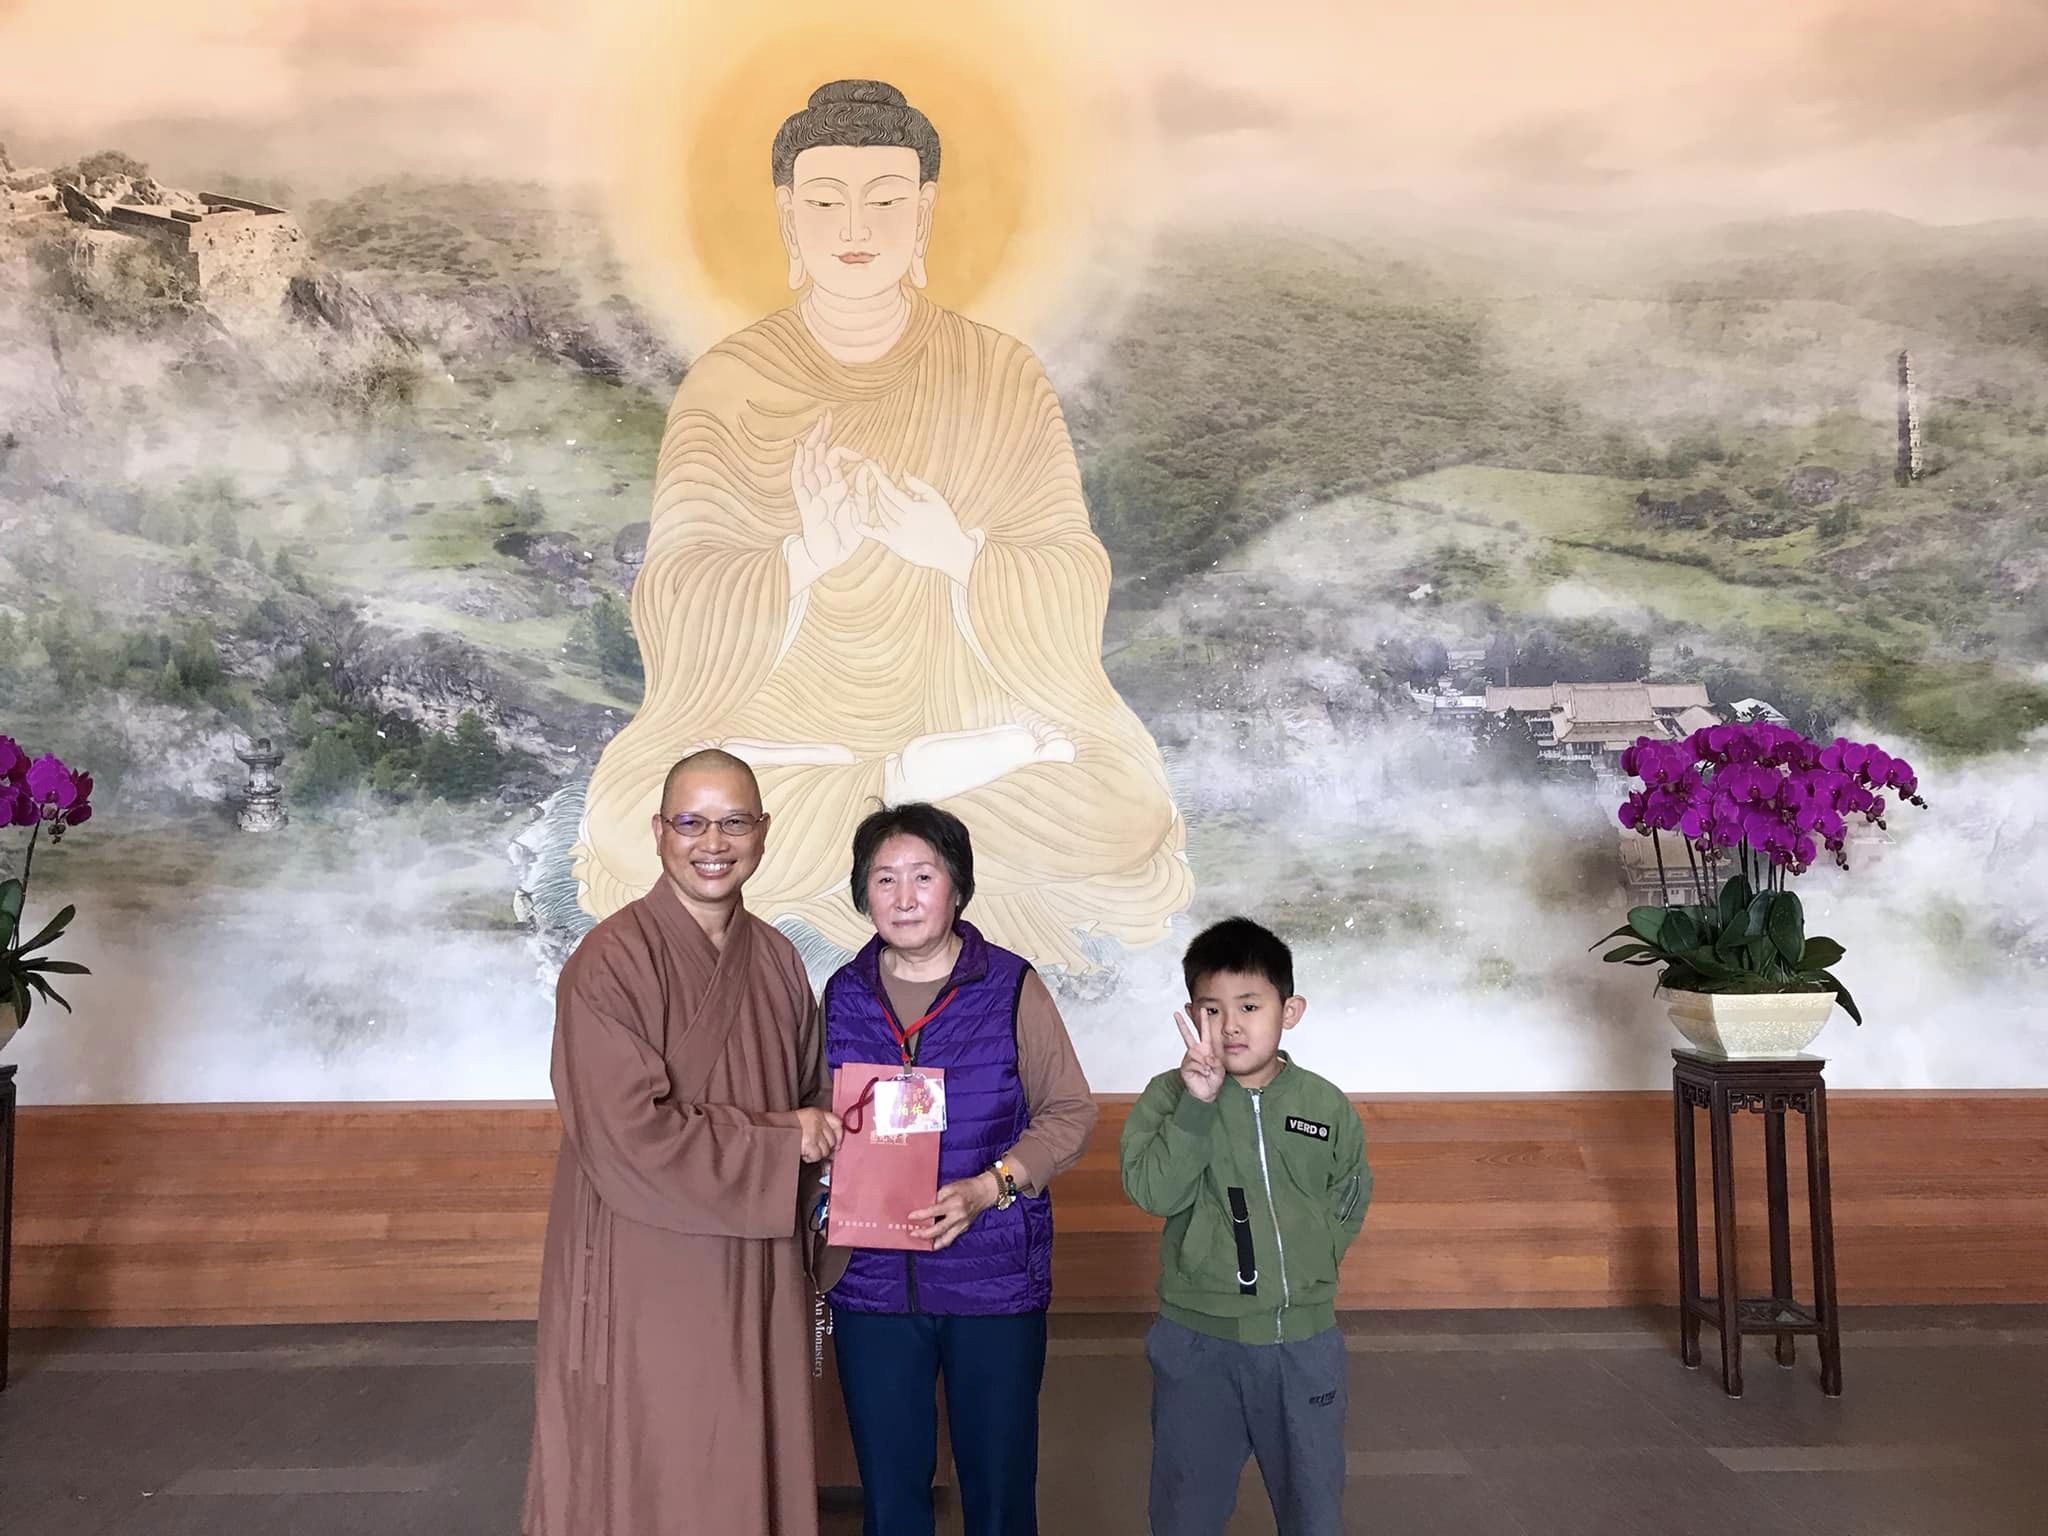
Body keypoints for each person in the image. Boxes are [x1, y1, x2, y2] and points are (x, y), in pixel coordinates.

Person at [573, 77, 1191, 972]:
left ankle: (891, 805)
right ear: (788, 216)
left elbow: (1069, 565)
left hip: (965, 708)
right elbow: (676, 588)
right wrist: (801, 559)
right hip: (787, 728)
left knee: (1129, 803)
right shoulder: (729, 380)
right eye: (826, 202)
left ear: (925, 212)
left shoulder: (998, 372)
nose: (855, 228)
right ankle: (903, 791)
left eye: (887, 201)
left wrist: (958, 553)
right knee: (628, 822)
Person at [523, 749, 842, 1536]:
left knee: (748, 1444)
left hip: (759, 1255)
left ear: (762, 831)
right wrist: (783, 1141)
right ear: (659, 831)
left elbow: (815, 1098)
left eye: (734, 822)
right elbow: (629, 1135)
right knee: (661, 1451)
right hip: (649, 1259)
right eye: (692, 822)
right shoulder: (609, 964)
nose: (714, 842)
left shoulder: (777, 960)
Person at [822, 801, 1098, 1536]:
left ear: (958, 887)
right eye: (884, 878)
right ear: (863, 893)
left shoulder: (1011, 986)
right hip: (874, 1283)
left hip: (992, 1279)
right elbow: (822, 1117)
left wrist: (989, 1186)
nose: (904, 897)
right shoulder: (842, 994)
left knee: (999, 1493)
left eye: (924, 876)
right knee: (890, 1497)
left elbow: (1070, 1112)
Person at [1119, 917, 1372, 1536]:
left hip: (1304, 1344)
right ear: (1191, 1015)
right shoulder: (1168, 1097)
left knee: (1314, 1511)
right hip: (1198, 1344)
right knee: (1187, 1511)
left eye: (1250, 1006)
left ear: (1290, 1011)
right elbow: (1152, 1191)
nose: (1230, 1025)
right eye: (1212, 1009)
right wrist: (1197, 1105)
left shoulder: (1323, 1104)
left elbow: (1350, 1190)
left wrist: (1312, 1259)